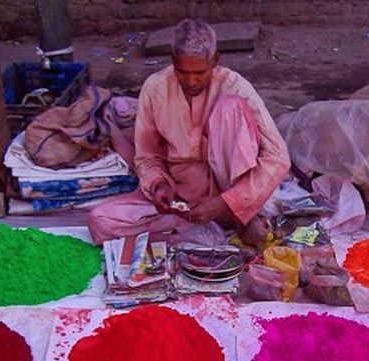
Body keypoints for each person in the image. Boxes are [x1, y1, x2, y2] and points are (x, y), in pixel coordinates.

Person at [87, 18, 291, 244]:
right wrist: (159, 185)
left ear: (215, 61)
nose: (191, 81)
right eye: (182, 72)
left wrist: (225, 202)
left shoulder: (235, 86)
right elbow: (147, 156)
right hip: (180, 200)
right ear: (173, 61)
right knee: (101, 220)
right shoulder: (155, 87)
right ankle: (197, 226)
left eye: (200, 72)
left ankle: (236, 217)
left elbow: (278, 158)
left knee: (230, 107)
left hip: (228, 193)